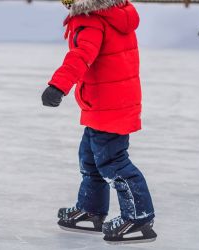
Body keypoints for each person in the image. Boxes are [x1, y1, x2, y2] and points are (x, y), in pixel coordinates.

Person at [41, 0, 157, 244]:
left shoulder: (91, 18)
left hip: (107, 103)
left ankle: (139, 217)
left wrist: (58, 86)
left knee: (112, 161)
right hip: (110, 99)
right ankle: (91, 209)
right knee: (91, 158)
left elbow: (81, 55)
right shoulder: (113, 12)